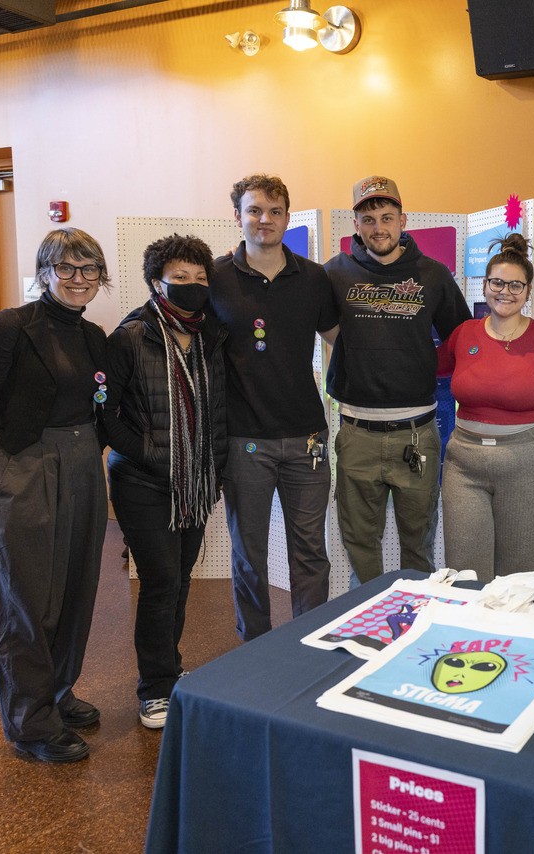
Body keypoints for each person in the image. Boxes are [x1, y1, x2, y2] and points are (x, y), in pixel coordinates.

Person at [0, 228, 110, 763]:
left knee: (74, 589)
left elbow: (103, 410)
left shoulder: (92, 338)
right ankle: (30, 723)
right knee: (27, 599)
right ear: (44, 273)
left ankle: (57, 693)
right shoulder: (8, 329)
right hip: (24, 469)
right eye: (66, 268)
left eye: (89, 270)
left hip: (84, 465)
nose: (79, 280)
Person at [105, 234, 227, 728]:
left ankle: (170, 670)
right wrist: (153, 453)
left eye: (201, 278)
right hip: (142, 482)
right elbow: (106, 414)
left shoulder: (209, 336)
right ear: (157, 282)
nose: (192, 286)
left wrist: (213, 464)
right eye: (181, 278)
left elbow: (217, 408)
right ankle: (154, 689)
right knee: (159, 582)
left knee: (178, 583)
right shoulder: (131, 336)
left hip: (195, 482)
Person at [325, 176, 471, 582]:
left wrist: (416, 358)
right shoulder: (334, 273)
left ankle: (415, 624)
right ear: (355, 224)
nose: (379, 228)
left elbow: (462, 338)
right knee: (360, 547)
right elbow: (320, 323)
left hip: (417, 434)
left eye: (387, 217)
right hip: (356, 433)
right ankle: (366, 627)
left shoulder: (434, 274)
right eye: (368, 219)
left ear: (403, 220)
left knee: (418, 547)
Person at [212, 174, 339, 641]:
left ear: (287, 216)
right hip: (244, 439)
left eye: (275, 211)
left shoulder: (313, 278)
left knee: (310, 552)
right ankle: (257, 646)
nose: (264, 219)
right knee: (250, 553)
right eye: (254, 210)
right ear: (238, 215)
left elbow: (338, 340)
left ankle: (306, 646)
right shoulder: (215, 277)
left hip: (307, 437)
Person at [436, 234, 534, 582]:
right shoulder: (464, 334)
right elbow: (426, 371)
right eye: (497, 282)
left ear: (527, 292)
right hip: (463, 465)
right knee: (465, 574)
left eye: (515, 285)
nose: (505, 291)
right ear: (485, 285)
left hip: (527, 465)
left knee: (521, 576)